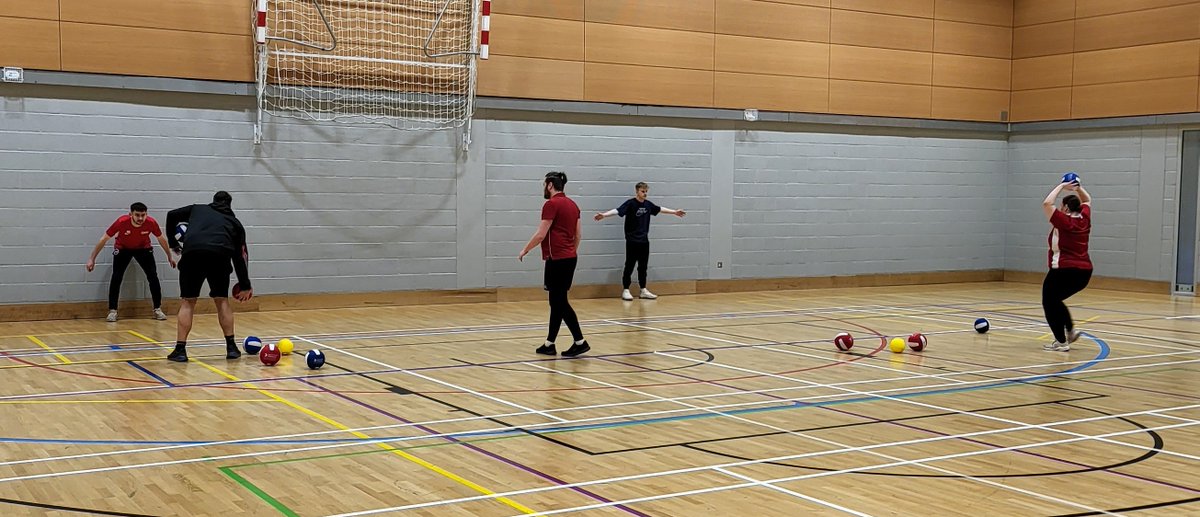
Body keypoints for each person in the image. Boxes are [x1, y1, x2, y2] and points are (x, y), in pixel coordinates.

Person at [164, 191, 253, 362]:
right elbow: (240, 256)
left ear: (213, 201)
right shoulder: (234, 223)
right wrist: (245, 284)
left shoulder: (197, 209)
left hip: (193, 255)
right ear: (229, 205)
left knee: (188, 302)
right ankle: (232, 348)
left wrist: (173, 243)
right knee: (222, 300)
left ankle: (180, 350)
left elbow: (171, 215)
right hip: (220, 257)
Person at [519, 172, 590, 357]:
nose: (543, 188)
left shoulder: (551, 204)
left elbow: (541, 234)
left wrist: (525, 249)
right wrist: (571, 251)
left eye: (544, 184)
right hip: (569, 257)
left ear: (550, 185)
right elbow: (579, 234)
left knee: (559, 302)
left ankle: (580, 341)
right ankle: (549, 344)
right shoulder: (573, 205)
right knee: (556, 302)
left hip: (557, 259)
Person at [594, 182, 685, 300]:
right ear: (637, 191)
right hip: (632, 241)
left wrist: (674, 212)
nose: (645, 193)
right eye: (643, 191)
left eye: (646, 191)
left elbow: (660, 209)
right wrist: (604, 215)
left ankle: (643, 289)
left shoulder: (648, 205)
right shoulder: (630, 204)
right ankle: (626, 289)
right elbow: (618, 210)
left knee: (643, 266)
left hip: (644, 241)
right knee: (630, 265)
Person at [86, 202, 176, 322]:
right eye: (137, 215)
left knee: (153, 276)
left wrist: (169, 256)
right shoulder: (121, 222)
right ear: (130, 214)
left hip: (143, 249)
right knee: (116, 277)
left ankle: (157, 309)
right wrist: (92, 258)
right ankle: (113, 311)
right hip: (123, 248)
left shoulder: (151, 222)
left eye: (143, 215)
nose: (140, 218)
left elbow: (161, 239)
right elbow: (104, 239)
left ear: (146, 214)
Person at [1040, 176, 1093, 352]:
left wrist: (1062, 186)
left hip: (1063, 270)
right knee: (1055, 300)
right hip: (1084, 273)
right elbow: (1087, 200)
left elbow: (1047, 204)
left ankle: (1061, 342)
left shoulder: (1064, 221)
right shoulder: (1084, 218)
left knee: (1049, 302)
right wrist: (1078, 188)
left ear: (1066, 208)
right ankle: (1070, 331)